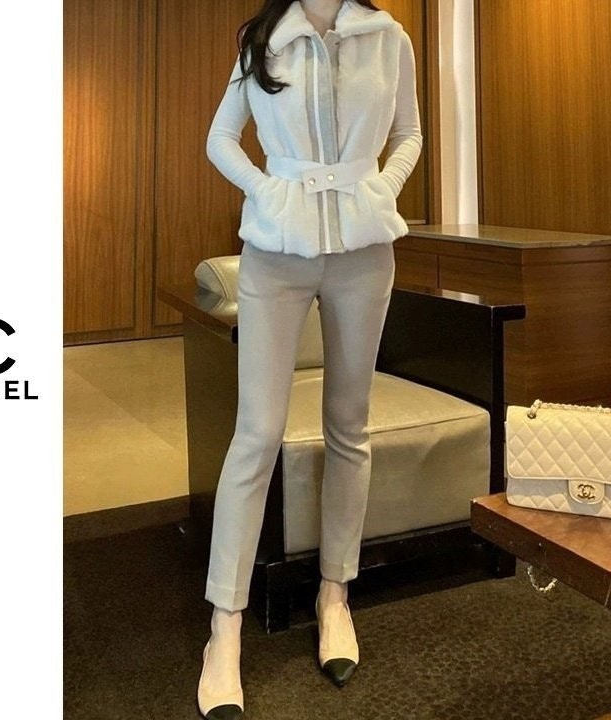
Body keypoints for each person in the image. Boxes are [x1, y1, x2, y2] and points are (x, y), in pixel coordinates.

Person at [197, 0, 422, 717]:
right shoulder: (263, 39)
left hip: (364, 252)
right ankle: (224, 627)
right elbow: (221, 138)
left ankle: (334, 595)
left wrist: (378, 187)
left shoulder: (389, 38)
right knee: (257, 433)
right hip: (275, 252)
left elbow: (410, 133)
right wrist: (271, 190)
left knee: (349, 425)